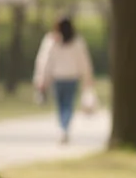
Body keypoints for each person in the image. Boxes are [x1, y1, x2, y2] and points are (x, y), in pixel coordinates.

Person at [32, 16, 95, 144]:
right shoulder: (77, 41)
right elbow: (84, 62)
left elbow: (44, 61)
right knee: (68, 104)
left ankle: (63, 127)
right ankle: (64, 127)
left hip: (58, 78)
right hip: (71, 78)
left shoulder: (51, 41)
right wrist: (87, 77)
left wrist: (41, 78)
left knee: (61, 104)